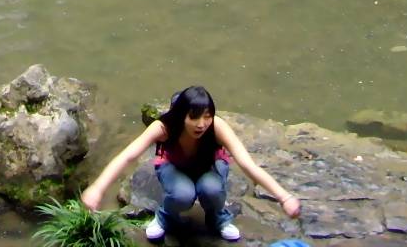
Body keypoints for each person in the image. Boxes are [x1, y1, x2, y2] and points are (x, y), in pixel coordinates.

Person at [80, 86, 301, 243]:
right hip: (174, 167)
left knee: (211, 189)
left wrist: (284, 197)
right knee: (182, 194)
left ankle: (218, 218)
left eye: (207, 116)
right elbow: (128, 156)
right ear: (180, 115)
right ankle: (165, 217)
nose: (201, 124)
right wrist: (98, 188)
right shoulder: (164, 127)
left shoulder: (217, 127)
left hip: (209, 167)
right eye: (194, 117)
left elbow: (247, 164)